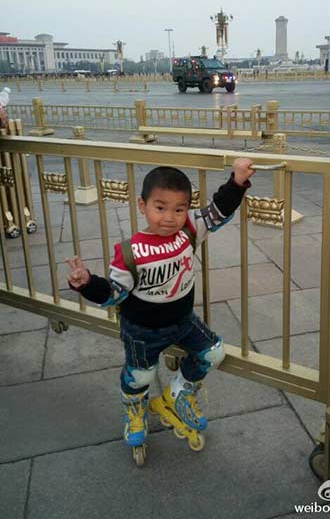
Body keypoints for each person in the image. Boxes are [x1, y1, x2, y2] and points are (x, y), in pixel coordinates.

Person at [66, 159, 255, 452]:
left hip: (183, 321)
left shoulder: (190, 230)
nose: (170, 217)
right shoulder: (131, 251)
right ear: (142, 205)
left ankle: (177, 392)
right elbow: (114, 293)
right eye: (160, 207)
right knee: (139, 376)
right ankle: (135, 412)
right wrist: (87, 283)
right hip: (142, 330)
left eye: (179, 209)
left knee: (213, 353)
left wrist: (238, 180)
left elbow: (220, 209)